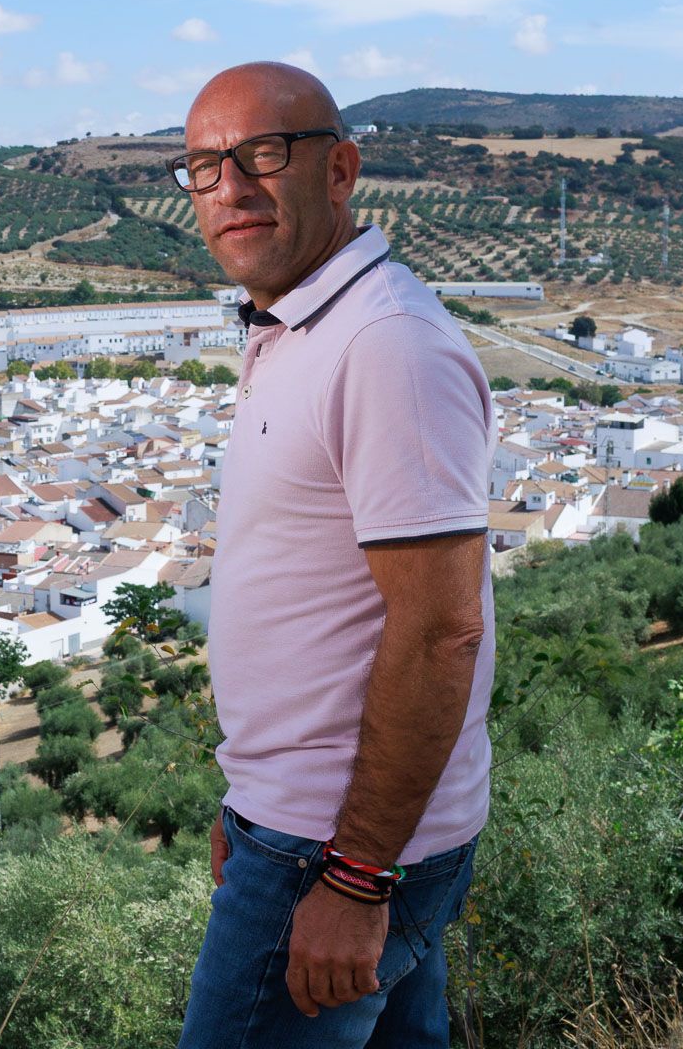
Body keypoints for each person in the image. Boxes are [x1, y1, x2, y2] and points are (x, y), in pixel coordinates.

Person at [175, 63, 497, 1048]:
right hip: (319, 827)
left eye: (262, 155)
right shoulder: (301, 326)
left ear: (341, 169)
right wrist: (250, 797)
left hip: (338, 852)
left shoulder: (384, 343)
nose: (231, 187)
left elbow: (442, 630)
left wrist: (357, 876)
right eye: (202, 167)